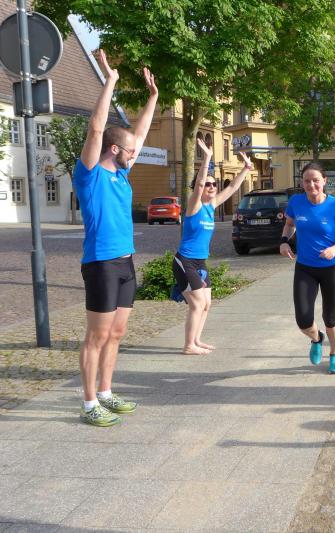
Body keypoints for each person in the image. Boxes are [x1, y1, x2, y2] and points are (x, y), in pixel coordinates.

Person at [73, 51, 158, 427]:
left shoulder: (122, 174)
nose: (134, 153)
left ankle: (106, 392)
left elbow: (139, 134)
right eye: (129, 151)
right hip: (101, 263)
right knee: (97, 335)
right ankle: (89, 401)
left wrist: (153, 98)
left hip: (125, 261)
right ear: (113, 150)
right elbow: (96, 129)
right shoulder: (90, 175)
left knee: (117, 332)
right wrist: (110, 82)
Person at [172, 139, 253, 354]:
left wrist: (246, 168)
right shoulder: (194, 205)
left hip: (200, 262)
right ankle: (188, 345)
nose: (211, 187)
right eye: (208, 184)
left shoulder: (211, 206)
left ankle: (196, 340)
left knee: (207, 303)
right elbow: (198, 184)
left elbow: (233, 187)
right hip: (185, 261)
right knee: (197, 304)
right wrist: (207, 158)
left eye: (213, 184)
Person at [279, 163, 335, 374]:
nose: (311, 185)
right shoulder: (296, 202)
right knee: (303, 319)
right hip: (305, 268)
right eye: (306, 181)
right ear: (302, 183)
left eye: (315, 180)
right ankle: (316, 338)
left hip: (331, 268)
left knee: (330, 318)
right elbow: (290, 225)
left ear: (324, 181)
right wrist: (284, 241)